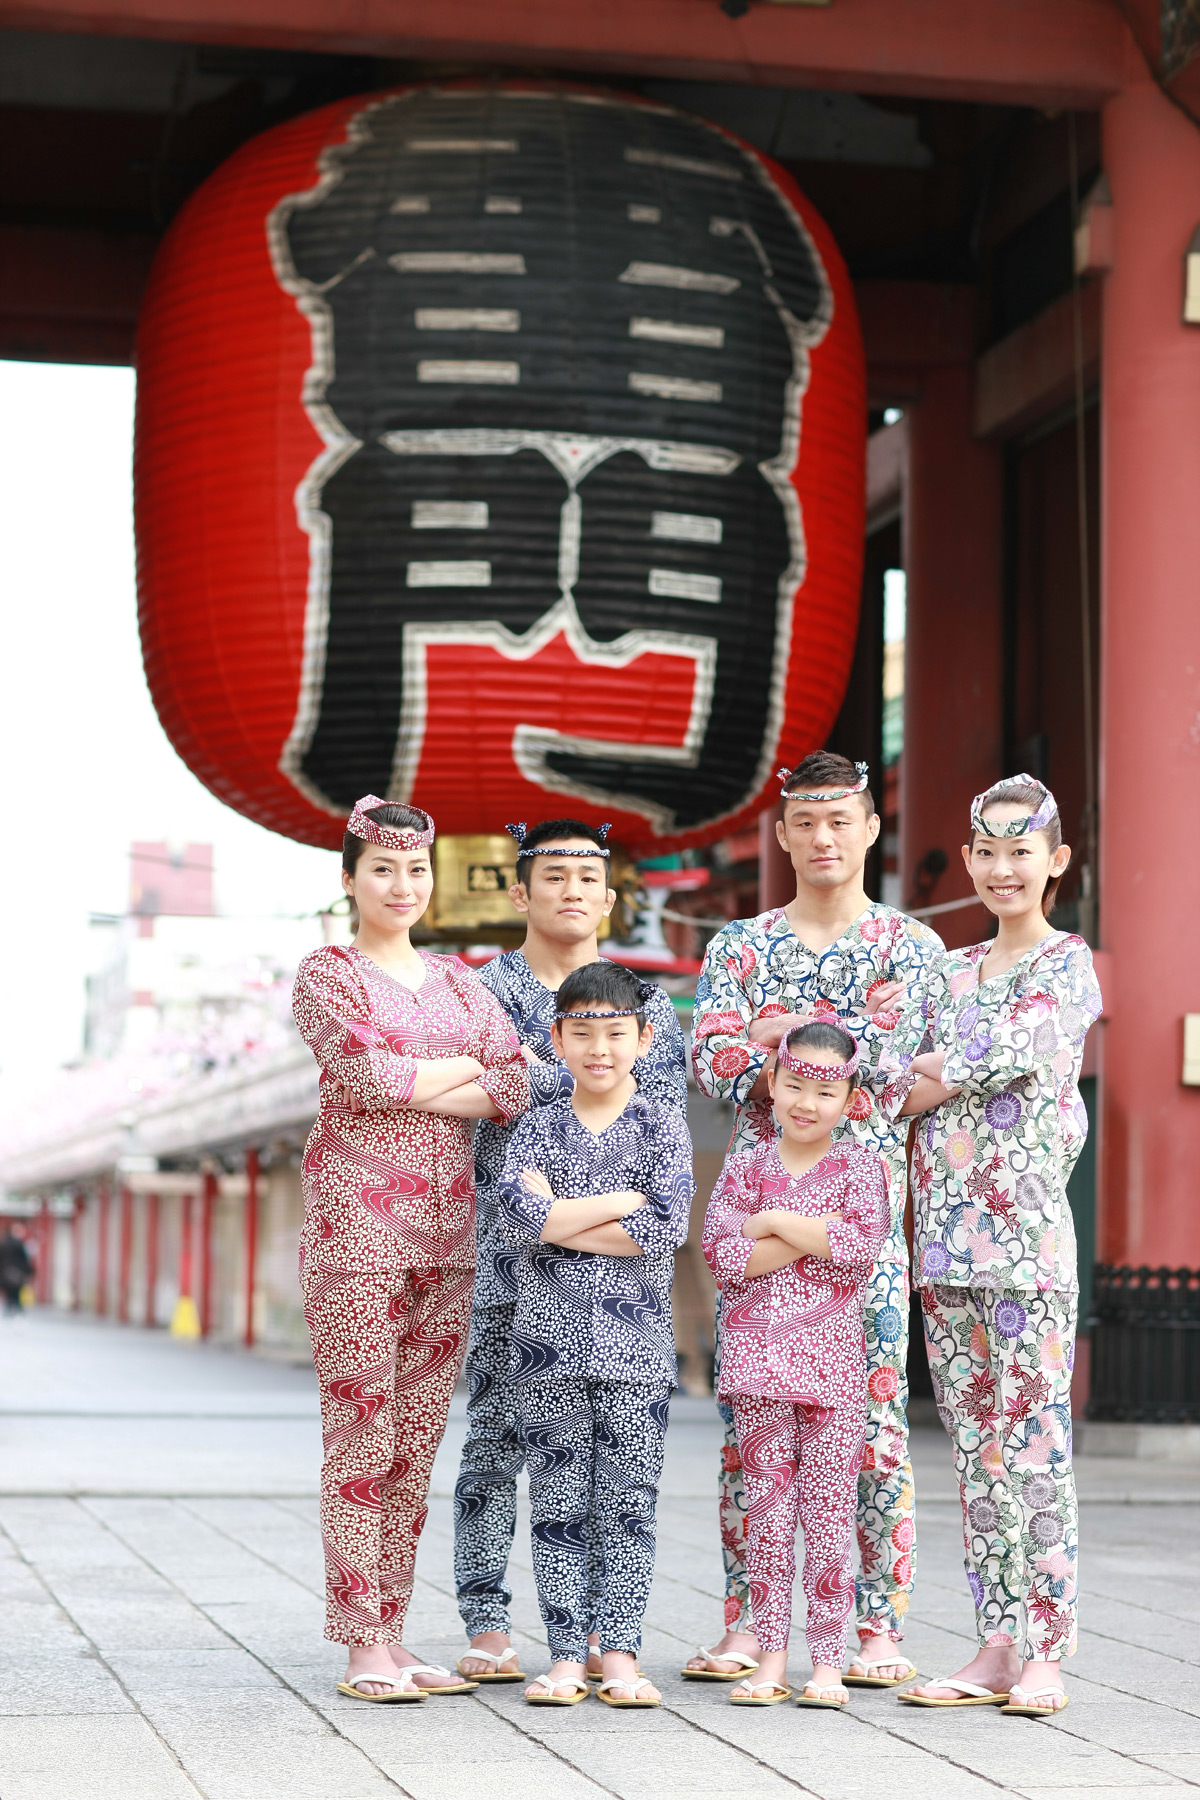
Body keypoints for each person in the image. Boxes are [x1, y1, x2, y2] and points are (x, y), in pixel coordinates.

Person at [689, 752, 943, 1687]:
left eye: (843, 819)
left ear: (871, 827)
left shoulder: (912, 948)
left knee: (871, 1421)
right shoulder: (739, 945)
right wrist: (822, 1040)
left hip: (859, 1226)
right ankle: (751, 1624)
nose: (825, 837)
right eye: (808, 820)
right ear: (785, 832)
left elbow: (896, 1068)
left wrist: (777, 1033)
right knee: (748, 1428)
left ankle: (875, 1626)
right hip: (757, 1218)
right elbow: (712, 1063)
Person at [292, 796, 530, 1703]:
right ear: (350, 877)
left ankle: (394, 1630)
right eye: (383, 869)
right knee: (362, 1432)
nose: (402, 885)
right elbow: (358, 1070)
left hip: (449, 1235)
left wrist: (426, 1085)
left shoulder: (464, 982)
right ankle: (359, 1641)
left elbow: (520, 1079)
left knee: (417, 1441)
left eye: (417, 870)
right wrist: (456, 1075)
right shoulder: (328, 974)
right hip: (356, 1234)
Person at [876, 776, 1101, 1719]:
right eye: (988, 853)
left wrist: (940, 1070)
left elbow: (1008, 1052)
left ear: (1055, 862)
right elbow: (896, 1080)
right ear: (967, 861)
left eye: (1024, 853)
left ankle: (1048, 1642)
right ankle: (997, 1641)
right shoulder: (951, 970)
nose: (1004, 869)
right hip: (946, 1247)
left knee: (1036, 1442)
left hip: (1029, 1250)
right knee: (976, 1453)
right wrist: (929, 1071)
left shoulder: (1069, 962)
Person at [455, 819, 687, 1685]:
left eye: (590, 877)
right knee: (492, 1443)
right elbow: (487, 1090)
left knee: (616, 1471)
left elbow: (649, 1119)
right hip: (506, 1259)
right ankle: (486, 1619)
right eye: (554, 876)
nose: (573, 891)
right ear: (521, 891)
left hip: (624, 1284)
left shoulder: (649, 1001)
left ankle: (604, 1639)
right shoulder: (481, 994)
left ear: (611, 896)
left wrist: (562, 1205)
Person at [498, 961, 695, 1708]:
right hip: (543, 1341)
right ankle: (562, 1654)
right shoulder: (536, 1126)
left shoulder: (662, 1125)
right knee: (555, 1501)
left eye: (615, 1032)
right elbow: (522, 1220)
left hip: (636, 1349)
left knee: (629, 1502)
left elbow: (665, 1228)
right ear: (556, 1038)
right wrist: (615, 1203)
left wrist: (564, 1216)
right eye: (582, 1032)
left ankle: (619, 1651)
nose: (599, 1048)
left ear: (644, 1038)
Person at [704, 1019, 888, 1708]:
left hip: (832, 1372)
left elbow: (860, 1251)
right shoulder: (747, 1163)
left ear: (849, 1100)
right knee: (771, 1521)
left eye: (826, 1090)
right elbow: (725, 1259)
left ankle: (829, 1666)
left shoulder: (862, 1167)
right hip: (757, 1367)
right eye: (796, 1085)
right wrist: (813, 1235)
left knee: (831, 1517)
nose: (807, 1102)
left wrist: (772, 1222)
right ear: (773, 1084)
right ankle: (772, 1659)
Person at [0, 1229, 33, 1315]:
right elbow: (25, 1260)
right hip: (18, 1273)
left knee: (9, 1292)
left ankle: (9, 1310)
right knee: (16, 1292)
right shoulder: (20, 1245)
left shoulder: (3, 1244)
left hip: (5, 1273)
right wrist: (29, 1272)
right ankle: (17, 1310)